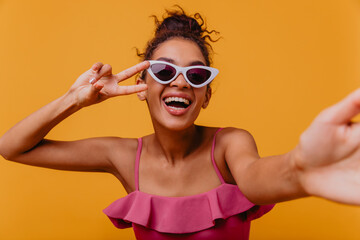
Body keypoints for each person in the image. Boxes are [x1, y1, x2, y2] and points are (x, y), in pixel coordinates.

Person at [0, 7, 360, 240]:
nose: (181, 82)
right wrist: (74, 100)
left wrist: (301, 170)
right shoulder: (123, 155)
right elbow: (12, 147)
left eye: (197, 74)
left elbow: (257, 180)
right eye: (165, 70)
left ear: (205, 97)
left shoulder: (229, 145)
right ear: (142, 87)